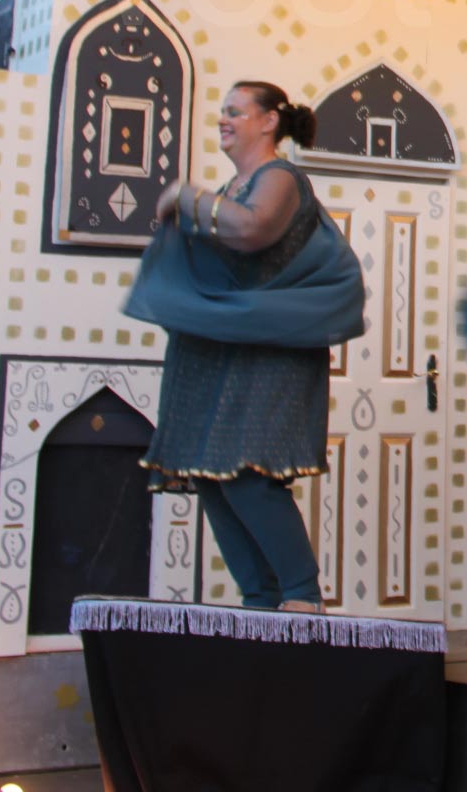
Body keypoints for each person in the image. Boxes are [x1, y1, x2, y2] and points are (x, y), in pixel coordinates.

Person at [134, 81, 361, 613]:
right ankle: (260, 604)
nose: (225, 119)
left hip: (270, 352)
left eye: (236, 111)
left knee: (246, 474)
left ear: (269, 121)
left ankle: (302, 599)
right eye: (223, 111)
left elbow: (252, 230)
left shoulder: (279, 178)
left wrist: (184, 197)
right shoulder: (231, 188)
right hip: (229, 350)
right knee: (213, 477)